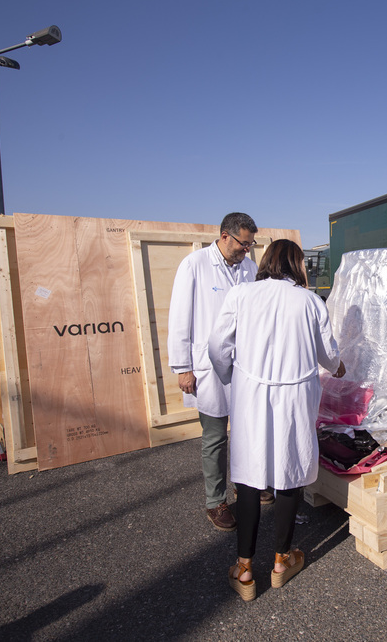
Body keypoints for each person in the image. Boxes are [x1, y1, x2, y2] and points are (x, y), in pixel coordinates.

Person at [208, 239, 345, 601]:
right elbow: (328, 353)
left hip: (251, 394)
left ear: (266, 261)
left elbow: (218, 346)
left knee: (250, 475)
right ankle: (282, 561)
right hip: (295, 396)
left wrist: (230, 376)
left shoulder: (241, 294)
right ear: (299, 265)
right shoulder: (310, 301)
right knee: (290, 470)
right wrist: (339, 366)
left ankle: (245, 568)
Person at [167, 212, 261, 532]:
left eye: (250, 245)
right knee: (215, 437)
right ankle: (215, 501)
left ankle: (245, 486)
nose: (246, 250)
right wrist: (183, 368)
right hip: (207, 369)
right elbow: (180, 318)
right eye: (242, 244)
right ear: (224, 236)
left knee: (247, 432)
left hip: (245, 365)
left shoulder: (249, 269)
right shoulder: (194, 265)